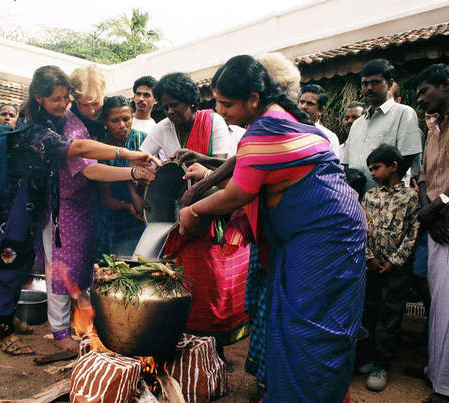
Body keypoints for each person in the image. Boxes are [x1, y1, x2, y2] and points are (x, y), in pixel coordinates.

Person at [178, 55, 366, 402]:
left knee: (310, 328)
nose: (220, 111)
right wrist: (201, 181)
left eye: (227, 103)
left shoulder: (266, 128)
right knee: (292, 320)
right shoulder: (274, 116)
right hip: (315, 230)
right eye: (216, 103)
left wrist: (193, 208)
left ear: (253, 98)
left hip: (324, 235)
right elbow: (241, 161)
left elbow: (238, 193)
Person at [0, 65, 155, 356]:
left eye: (67, 99)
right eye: (61, 99)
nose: (90, 108)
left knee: (51, 266)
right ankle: (12, 326)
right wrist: (130, 167)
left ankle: (22, 318)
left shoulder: (69, 119)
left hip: (53, 204)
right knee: (23, 263)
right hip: (22, 203)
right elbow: (82, 154)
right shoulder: (44, 127)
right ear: (39, 97)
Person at [140, 72, 251, 363]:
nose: (171, 111)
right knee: (183, 280)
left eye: (176, 104)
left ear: (191, 102)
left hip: (212, 208)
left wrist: (200, 164)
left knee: (212, 282)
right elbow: (141, 158)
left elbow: (227, 166)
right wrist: (146, 173)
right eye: (166, 106)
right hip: (178, 214)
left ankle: (216, 350)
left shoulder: (212, 120)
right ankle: (188, 349)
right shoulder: (163, 128)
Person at [359, 144, 419, 392]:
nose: (372, 173)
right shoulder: (370, 196)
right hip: (371, 267)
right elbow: (360, 227)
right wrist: (369, 257)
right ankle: (366, 357)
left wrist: (395, 261)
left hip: (397, 269)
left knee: (391, 315)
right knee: (368, 311)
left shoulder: (411, 197)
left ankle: (381, 365)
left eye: (377, 168)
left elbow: (413, 232)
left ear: (394, 166)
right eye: (370, 169)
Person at [414, 63, 449, 403]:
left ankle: (445, 387)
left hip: (446, 220)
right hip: (437, 224)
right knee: (438, 303)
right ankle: (435, 372)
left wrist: (438, 206)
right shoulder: (434, 129)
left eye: (425, 91)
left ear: (446, 85)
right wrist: (428, 207)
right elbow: (424, 175)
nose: (421, 99)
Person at [342, 59, 422, 191]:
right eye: (365, 84)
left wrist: (381, 193)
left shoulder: (403, 113)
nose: (369, 88)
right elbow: (347, 165)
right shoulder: (357, 124)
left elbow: (406, 158)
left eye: (375, 82)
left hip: (390, 201)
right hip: (357, 200)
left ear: (389, 83)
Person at [96, 96, 148, 257]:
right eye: (115, 121)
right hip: (114, 217)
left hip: (144, 213)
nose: (122, 126)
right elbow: (105, 197)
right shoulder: (100, 148)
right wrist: (128, 206)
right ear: (105, 122)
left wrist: (140, 197)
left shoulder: (141, 139)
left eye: (126, 119)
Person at [299, 83, 341, 157]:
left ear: (321, 110)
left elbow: (333, 166)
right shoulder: (288, 129)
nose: (304, 106)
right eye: (302, 102)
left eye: (310, 104)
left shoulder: (329, 137)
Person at [69, 65, 105, 140]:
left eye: (95, 104)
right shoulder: (69, 119)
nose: (91, 111)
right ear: (75, 100)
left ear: (103, 95)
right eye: (85, 105)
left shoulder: (114, 108)